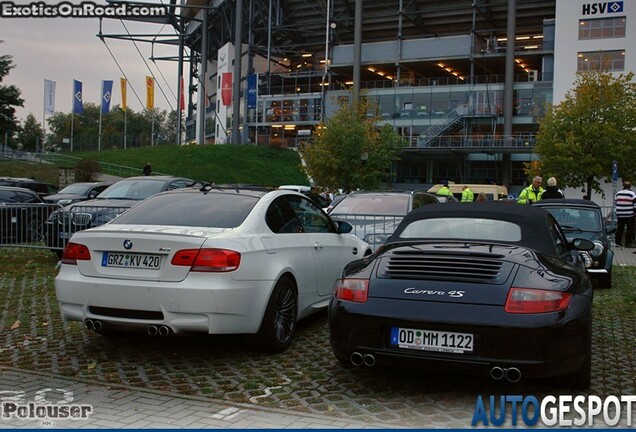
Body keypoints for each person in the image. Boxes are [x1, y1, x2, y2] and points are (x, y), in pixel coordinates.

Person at [614, 180, 636, 248]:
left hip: (620, 214)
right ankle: (628, 243)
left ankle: (618, 242)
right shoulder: (632, 194)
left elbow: (615, 203)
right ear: (630, 186)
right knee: (630, 229)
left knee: (620, 228)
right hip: (629, 214)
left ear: (623, 186)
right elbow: (635, 204)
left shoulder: (618, 193)